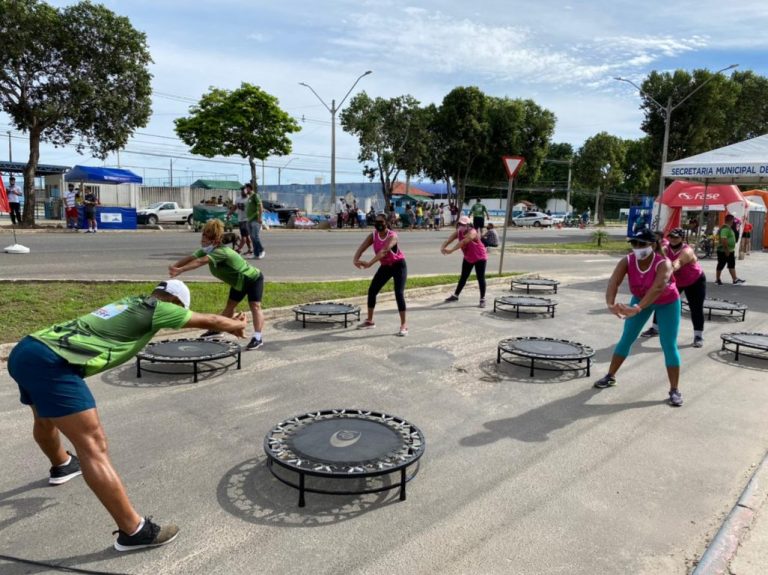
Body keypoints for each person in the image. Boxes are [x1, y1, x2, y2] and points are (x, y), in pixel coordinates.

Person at [7, 279, 247, 551]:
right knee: (93, 445)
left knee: (43, 418)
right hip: (53, 363)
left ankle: (61, 464)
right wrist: (237, 325)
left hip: (29, 348)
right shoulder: (160, 308)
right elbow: (212, 320)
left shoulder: (131, 302)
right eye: (182, 310)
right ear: (176, 302)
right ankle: (134, 531)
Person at [593, 229, 683, 407]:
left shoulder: (663, 263)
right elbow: (614, 281)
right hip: (640, 300)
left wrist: (638, 308)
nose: (637, 247)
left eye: (642, 244)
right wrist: (610, 304)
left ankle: (674, 389)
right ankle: (610, 376)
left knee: (668, 344)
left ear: (653, 245)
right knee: (626, 338)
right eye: (634, 243)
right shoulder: (627, 260)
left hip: (667, 302)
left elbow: (658, 287)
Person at [170, 219, 266, 350]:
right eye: (202, 239)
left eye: (205, 240)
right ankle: (217, 330)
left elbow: (200, 262)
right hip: (238, 282)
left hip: (252, 279)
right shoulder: (207, 249)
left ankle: (258, 337)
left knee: (255, 306)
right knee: (230, 307)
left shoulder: (221, 252)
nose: (202, 242)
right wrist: (175, 266)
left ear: (214, 240)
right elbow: (191, 257)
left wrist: (180, 270)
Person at [641, 228, 707, 347]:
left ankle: (698, 336)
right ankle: (655, 328)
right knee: (660, 300)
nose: (673, 239)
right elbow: (656, 259)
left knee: (696, 307)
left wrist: (666, 270)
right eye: (671, 236)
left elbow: (678, 263)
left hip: (695, 281)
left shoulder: (687, 251)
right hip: (677, 281)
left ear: (682, 238)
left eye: (676, 237)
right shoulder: (666, 248)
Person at [352, 213, 408, 336]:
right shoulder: (373, 235)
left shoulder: (392, 236)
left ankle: (404, 325)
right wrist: (355, 259)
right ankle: (370, 321)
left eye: (381, 222)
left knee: (398, 293)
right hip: (385, 267)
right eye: (376, 222)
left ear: (387, 223)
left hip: (398, 265)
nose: (378, 225)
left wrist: (370, 263)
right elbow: (362, 247)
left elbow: (384, 251)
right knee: (372, 290)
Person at [441, 215, 489, 308]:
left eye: (463, 224)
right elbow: (449, 239)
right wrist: (443, 247)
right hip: (468, 257)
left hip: (480, 257)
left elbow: (463, 242)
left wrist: (451, 250)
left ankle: (482, 298)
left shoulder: (473, 232)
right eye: (460, 224)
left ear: (468, 225)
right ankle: (456, 295)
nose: (461, 226)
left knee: (480, 278)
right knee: (463, 276)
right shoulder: (459, 231)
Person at [715, 214, 745, 286]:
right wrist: (726, 250)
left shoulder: (729, 228)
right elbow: (723, 240)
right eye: (733, 220)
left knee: (731, 265)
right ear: (730, 220)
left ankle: (735, 279)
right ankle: (717, 279)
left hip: (730, 250)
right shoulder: (725, 229)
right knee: (721, 265)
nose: (734, 222)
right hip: (724, 251)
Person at [244, 183, 265, 259]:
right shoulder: (249, 197)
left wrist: (260, 218)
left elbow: (260, 206)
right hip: (249, 220)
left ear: (249, 188)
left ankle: (262, 250)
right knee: (252, 238)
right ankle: (256, 254)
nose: (245, 190)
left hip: (255, 219)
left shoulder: (255, 195)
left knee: (255, 236)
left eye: (246, 188)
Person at [232, 186, 253, 255]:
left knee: (244, 236)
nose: (243, 192)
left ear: (247, 191)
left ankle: (239, 249)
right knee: (247, 236)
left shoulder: (249, 199)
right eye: (242, 190)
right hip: (240, 219)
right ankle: (250, 249)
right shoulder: (238, 199)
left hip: (247, 219)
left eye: (244, 190)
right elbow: (235, 207)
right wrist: (229, 214)